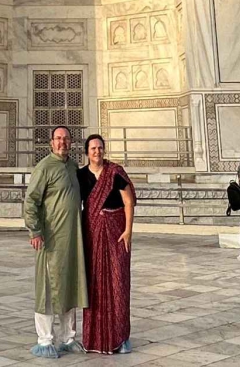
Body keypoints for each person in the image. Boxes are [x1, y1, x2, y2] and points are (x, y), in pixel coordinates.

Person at [24, 126, 88, 358]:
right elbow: (31, 201)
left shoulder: (73, 167)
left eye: (66, 138)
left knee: (69, 285)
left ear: (71, 142)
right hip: (50, 240)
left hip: (72, 240)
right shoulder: (44, 168)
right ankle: (45, 339)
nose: (62, 142)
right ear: (51, 142)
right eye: (58, 138)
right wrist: (35, 231)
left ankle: (68, 337)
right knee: (48, 288)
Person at [78, 134, 135, 355]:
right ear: (87, 152)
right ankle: (94, 338)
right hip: (92, 234)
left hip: (116, 233)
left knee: (118, 281)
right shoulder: (81, 175)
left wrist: (128, 230)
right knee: (94, 283)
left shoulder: (115, 172)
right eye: (93, 148)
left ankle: (121, 337)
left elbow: (128, 201)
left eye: (100, 148)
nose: (97, 151)